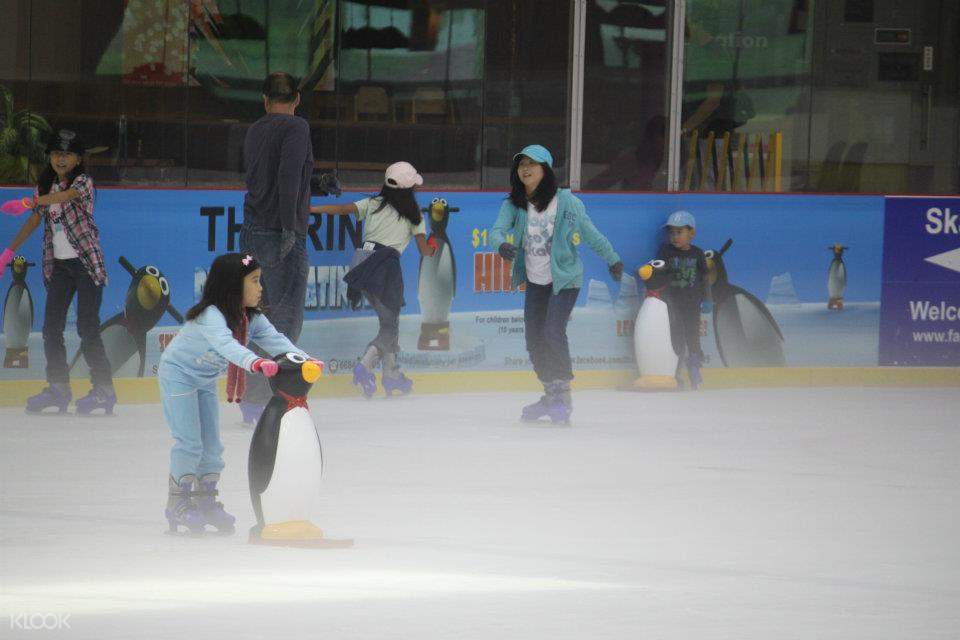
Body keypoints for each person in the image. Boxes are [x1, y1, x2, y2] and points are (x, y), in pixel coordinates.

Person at [157, 253, 317, 535]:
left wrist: (305, 360)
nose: (260, 287)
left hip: (204, 379)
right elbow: (226, 346)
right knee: (190, 442)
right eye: (254, 281)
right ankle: (178, 502)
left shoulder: (250, 318)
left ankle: (205, 499)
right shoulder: (211, 316)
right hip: (178, 375)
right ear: (232, 285)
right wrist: (255, 362)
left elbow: (277, 340)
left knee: (212, 445)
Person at [491, 145, 623, 424]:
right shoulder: (513, 204)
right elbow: (497, 230)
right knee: (533, 340)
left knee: (552, 330)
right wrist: (500, 244)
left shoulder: (567, 203)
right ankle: (550, 394)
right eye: (521, 164)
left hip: (565, 280)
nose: (525, 168)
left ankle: (563, 394)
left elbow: (590, 233)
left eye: (533, 164)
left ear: (546, 170)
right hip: (536, 282)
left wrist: (612, 259)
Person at [0, 129, 116, 415]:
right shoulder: (44, 188)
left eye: (66, 154)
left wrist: (33, 201)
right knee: (51, 328)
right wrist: (9, 251)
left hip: (87, 264)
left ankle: (104, 389)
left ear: (77, 158)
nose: (60, 159)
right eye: (55, 154)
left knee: (88, 327)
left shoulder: (83, 182)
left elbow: (69, 195)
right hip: (61, 267)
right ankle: (58, 388)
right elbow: (34, 221)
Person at [311, 161, 435, 398]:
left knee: (389, 322)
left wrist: (312, 209)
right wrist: (432, 248)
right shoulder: (414, 216)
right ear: (409, 189)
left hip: (362, 263)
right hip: (385, 266)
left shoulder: (373, 203)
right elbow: (424, 251)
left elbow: (343, 209)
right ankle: (365, 366)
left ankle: (391, 375)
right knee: (390, 325)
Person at [238, 71, 314, 424]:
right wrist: (289, 227)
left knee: (257, 314)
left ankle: (251, 399)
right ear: (297, 98)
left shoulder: (256, 129)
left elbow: (267, 175)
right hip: (280, 232)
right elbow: (286, 178)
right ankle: (274, 395)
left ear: (265, 100)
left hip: (252, 230)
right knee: (284, 318)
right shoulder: (297, 128)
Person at [655, 210, 711, 390]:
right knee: (676, 338)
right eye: (672, 232)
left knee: (693, 337)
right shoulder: (665, 251)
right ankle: (675, 372)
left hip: (693, 304)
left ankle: (694, 369)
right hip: (672, 305)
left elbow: (705, 279)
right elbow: (657, 273)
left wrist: (708, 299)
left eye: (679, 232)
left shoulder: (698, 254)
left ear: (691, 233)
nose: (674, 236)